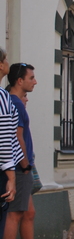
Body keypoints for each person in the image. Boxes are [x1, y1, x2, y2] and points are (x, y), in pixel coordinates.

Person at [4, 63, 36, 239]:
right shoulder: (15, 103)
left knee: (29, 213)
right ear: (19, 80)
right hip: (19, 167)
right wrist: (25, 165)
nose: (35, 82)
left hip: (21, 167)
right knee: (15, 214)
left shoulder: (13, 101)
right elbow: (17, 137)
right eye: (31, 78)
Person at [0, 49, 22, 237]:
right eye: (6, 59)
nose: (8, 62)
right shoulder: (2, 98)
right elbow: (5, 140)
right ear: (0, 65)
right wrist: (11, 178)